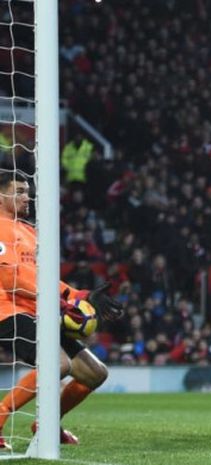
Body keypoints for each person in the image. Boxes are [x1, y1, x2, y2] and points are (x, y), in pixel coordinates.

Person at [0, 170, 123, 449]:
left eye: (27, 190)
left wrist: (79, 295)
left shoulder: (29, 231)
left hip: (38, 311)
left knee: (95, 373)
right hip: (8, 312)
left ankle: (45, 423)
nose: (26, 196)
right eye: (18, 190)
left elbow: (43, 275)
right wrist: (60, 302)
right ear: (0, 195)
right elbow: (10, 279)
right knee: (59, 364)